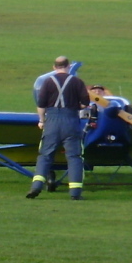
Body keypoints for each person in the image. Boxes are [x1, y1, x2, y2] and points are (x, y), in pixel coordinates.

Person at [27, 56, 92, 201]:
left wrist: (42, 121)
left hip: (52, 121)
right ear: (68, 66)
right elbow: (85, 103)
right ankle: (75, 193)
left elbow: (41, 105)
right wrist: (75, 107)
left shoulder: (47, 82)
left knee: (45, 155)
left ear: (54, 67)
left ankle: (36, 186)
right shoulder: (77, 82)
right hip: (71, 120)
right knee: (74, 157)